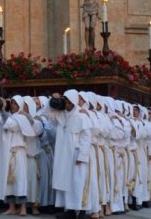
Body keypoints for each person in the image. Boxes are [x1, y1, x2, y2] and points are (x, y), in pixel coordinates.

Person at [46, 89, 91, 219]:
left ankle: (82, 210)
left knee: (78, 182)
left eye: (69, 101)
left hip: (76, 155)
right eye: (65, 101)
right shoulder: (61, 115)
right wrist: (53, 100)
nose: (67, 104)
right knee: (65, 182)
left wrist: (82, 155)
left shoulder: (82, 117)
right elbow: (47, 113)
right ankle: (69, 209)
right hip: (63, 156)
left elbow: (86, 137)